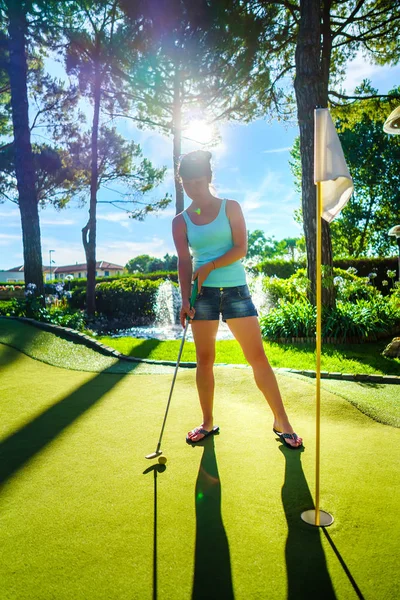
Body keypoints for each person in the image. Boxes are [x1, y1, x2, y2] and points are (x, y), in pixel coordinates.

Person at [172, 150, 302, 449]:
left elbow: (241, 248)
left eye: (199, 181)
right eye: (188, 183)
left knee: (257, 356)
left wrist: (210, 266)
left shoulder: (231, 207)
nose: (194, 187)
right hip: (200, 295)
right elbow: (183, 262)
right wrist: (184, 300)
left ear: (209, 178)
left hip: (235, 290)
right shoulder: (180, 221)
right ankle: (207, 423)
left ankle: (282, 421)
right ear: (182, 183)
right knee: (204, 360)